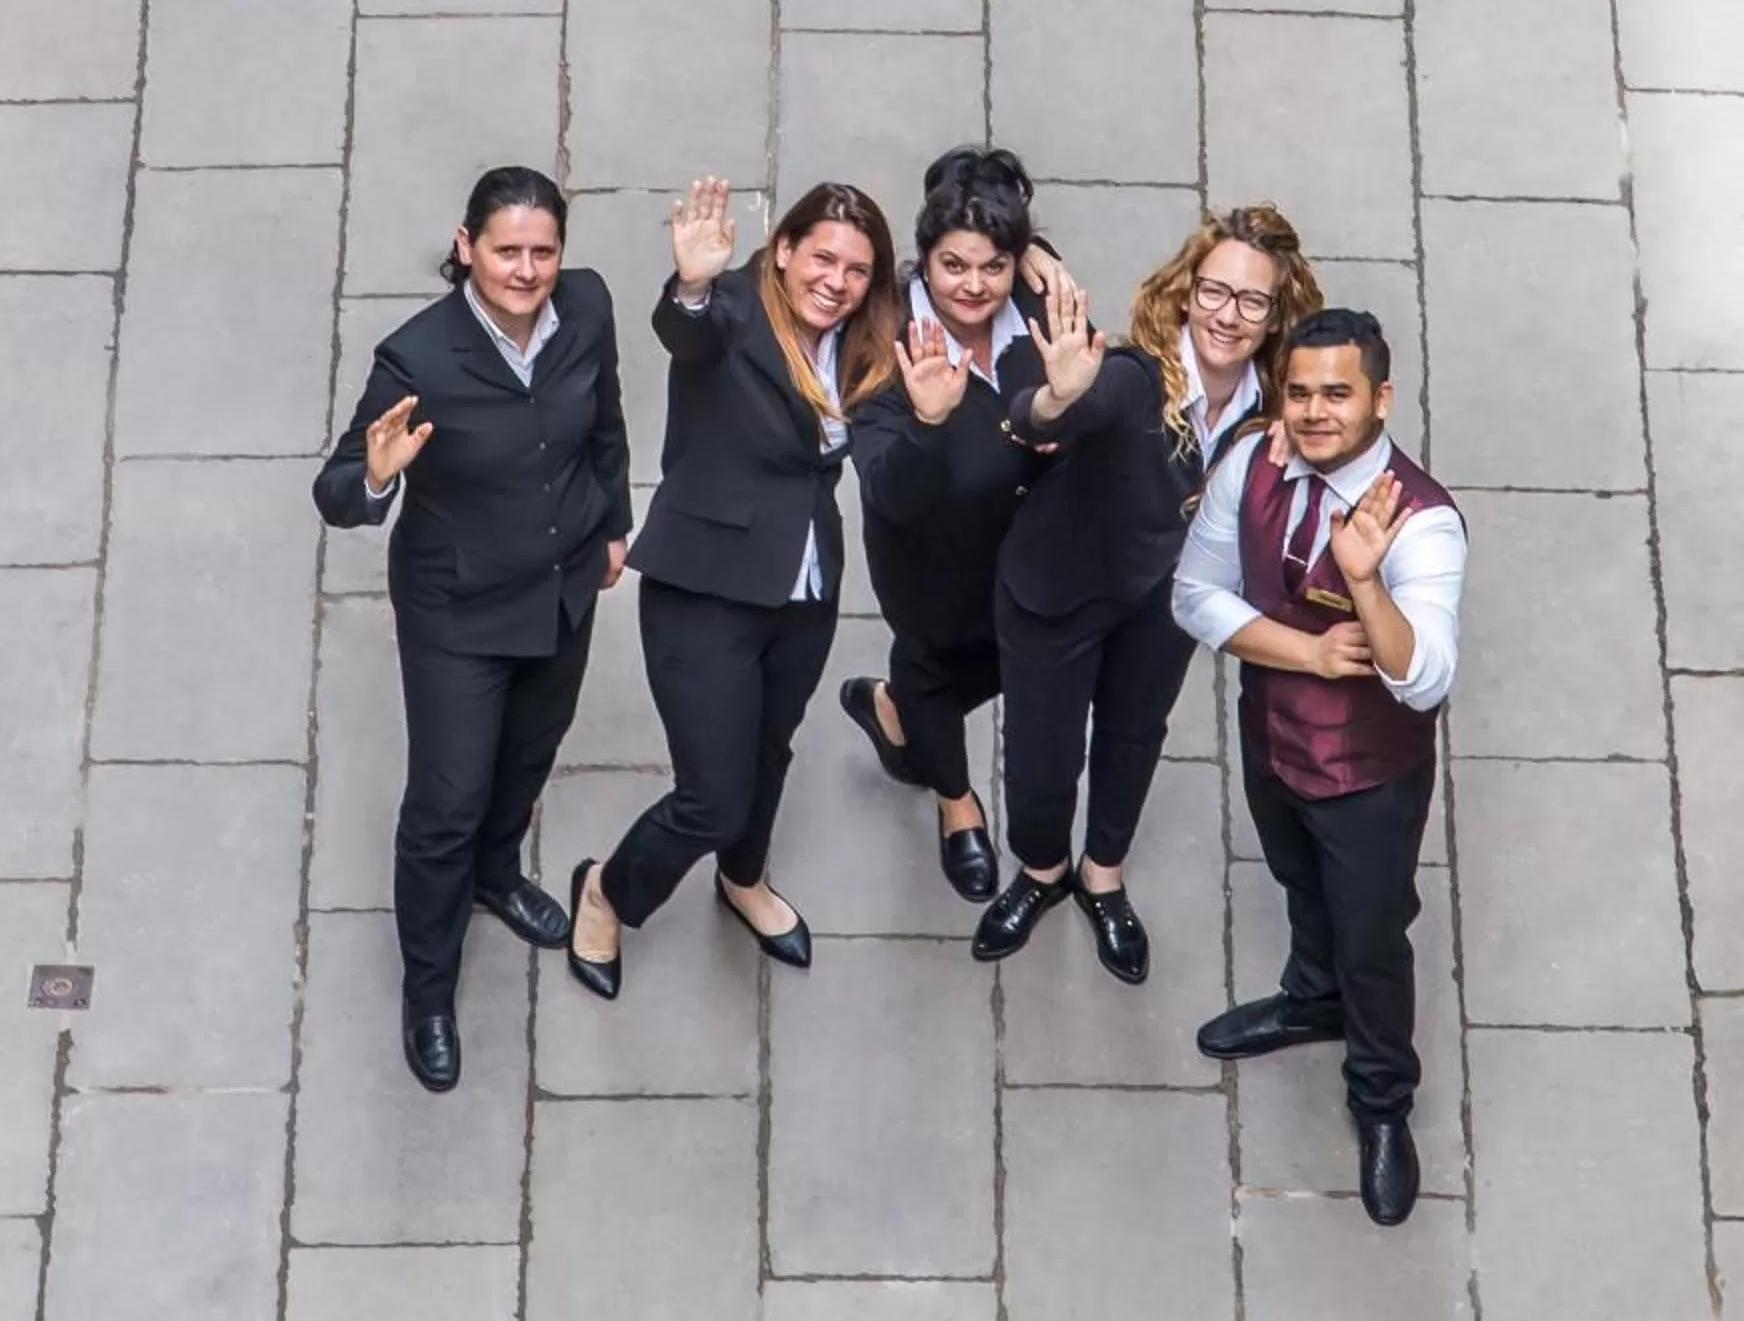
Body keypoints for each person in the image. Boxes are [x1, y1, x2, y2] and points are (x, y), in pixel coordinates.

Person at [312, 166, 632, 1093]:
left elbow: (604, 420)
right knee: (446, 802)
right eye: (506, 251)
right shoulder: (417, 359)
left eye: (543, 251)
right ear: (466, 248)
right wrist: (374, 476)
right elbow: (335, 495)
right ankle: (429, 988)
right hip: (459, 611)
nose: (527, 270)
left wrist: (611, 523)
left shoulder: (589, 307)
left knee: (528, 759)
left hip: (565, 588)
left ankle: (497, 875)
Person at [563, 179, 902, 998]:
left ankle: (742, 879)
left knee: (768, 751)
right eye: (821, 257)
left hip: (803, 591)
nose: (837, 280)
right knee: (712, 798)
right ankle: (608, 890)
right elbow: (687, 330)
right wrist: (690, 282)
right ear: (782, 251)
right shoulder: (735, 311)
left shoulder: (867, 344)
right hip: (705, 593)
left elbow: (970, 264)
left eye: (857, 270)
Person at [973, 207, 1321, 981]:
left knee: (1135, 738)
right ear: (1187, 291)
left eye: (1252, 301)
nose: (1228, 316)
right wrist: (1056, 398)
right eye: (1215, 292)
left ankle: (1102, 876)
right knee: (1042, 756)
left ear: (1275, 315)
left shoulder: (1277, 411)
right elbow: (1039, 419)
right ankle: (1039, 871)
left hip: (1163, 608)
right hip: (1058, 592)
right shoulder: (1134, 378)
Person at [1174, 309, 1465, 1227]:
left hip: (1371, 776)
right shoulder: (1250, 466)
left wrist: (1368, 583)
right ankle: (1310, 998)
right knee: (1299, 883)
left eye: (1337, 393)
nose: (1313, 411)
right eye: (1298, 392)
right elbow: (1195, 594)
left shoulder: (1424, 521)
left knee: (1374, 940)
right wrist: (1302, 655)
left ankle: (1381, 1101)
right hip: (1271, 735)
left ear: (1381, 397)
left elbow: (1421, 680)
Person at [839, 148, 1049, 905]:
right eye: (953, 265)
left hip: (1029, 554)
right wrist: (928, 422)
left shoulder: (1035, 304)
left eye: (994, 267)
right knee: (932, 668)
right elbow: (888, 491)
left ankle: (892, 710)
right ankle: (956, 800)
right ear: (923, 257)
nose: (973, 285)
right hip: (932, 564)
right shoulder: (878, 340)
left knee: (1012, 663)